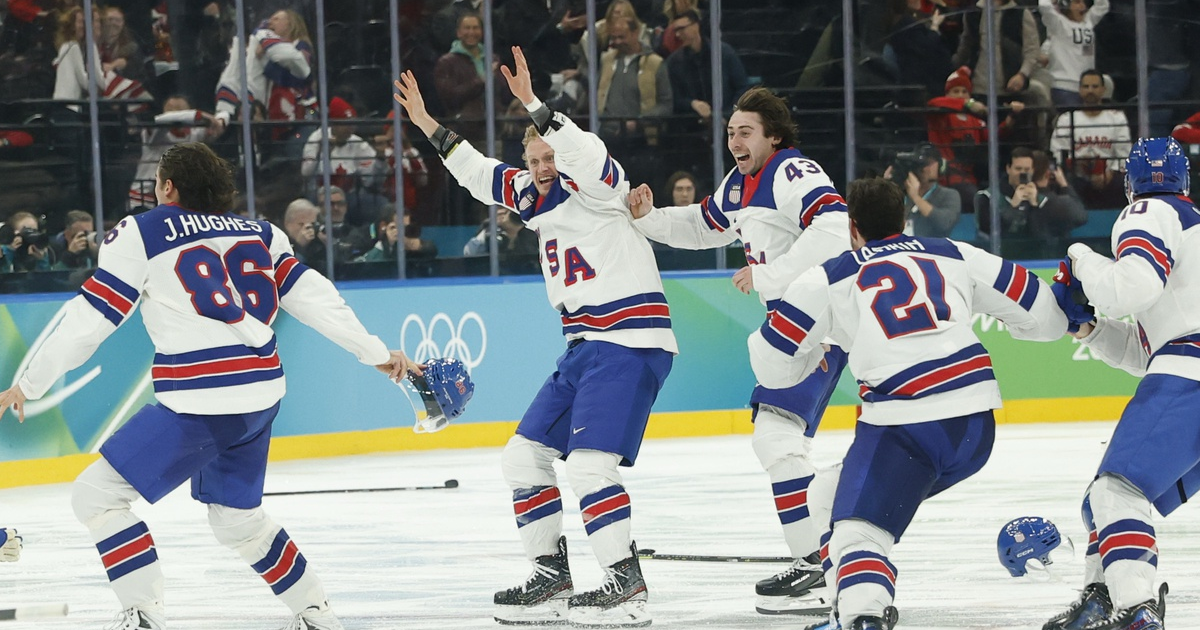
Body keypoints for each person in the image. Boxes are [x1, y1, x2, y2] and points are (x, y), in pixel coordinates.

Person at [0, 142, 417, 630]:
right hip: (261, 394)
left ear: (168, 186)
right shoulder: (262, 232)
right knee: (237, 519)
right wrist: (375, 352)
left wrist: (29, 383)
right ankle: (316, 613)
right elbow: (317, 300)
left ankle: (144, 614)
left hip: (201, 398)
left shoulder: (141, 232)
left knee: (97, 496)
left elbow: (91, 318)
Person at [395, 46, 676, 628]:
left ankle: (625, 584)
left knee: (590, 466)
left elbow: (585, 152)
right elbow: (477, 172)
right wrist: (425, 123)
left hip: (629, 339)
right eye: (534, 159)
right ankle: (551, 575)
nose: (544, 166)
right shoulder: (530, 193)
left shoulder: (600, 185)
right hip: (584, 347)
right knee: (522, 458)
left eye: (549, 156)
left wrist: (534, 104)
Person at [746, 177, 1068, 630]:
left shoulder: (829, 275)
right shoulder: (953, 253)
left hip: (905, 427)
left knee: (858, 531)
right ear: (903, 218)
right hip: (975, 428)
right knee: (824, 494)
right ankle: (844, 600)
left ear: (852, 227)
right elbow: (1047, 317)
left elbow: (770, 365)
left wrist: (809, 356)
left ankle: (861, 613)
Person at [628, 85, 850, 616]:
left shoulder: (791, 171)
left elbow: (835, 229)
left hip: (821, 321)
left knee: (776, 436)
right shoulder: (740, 181)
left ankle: (819, 562)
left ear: (774, 136)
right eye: (730, 132)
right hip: (800, 324)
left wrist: (769, 274)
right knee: (779, 437)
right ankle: (827, 554)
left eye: (746, 132)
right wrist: (649, 218)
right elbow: (702, 227)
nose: (734, 141)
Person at [1041, 137, 1192, 630]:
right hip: (1185, 366)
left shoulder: (1148, 211)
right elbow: (1153, 350)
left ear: (1130, 184)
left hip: (1190, 376)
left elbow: (1130, 289)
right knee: (1105, 502)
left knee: (1115, 492)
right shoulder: (1190, 228)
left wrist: (1081, 256)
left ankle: (1135, 610)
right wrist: (1088, 328)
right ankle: (1099, 599)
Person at [1049, 69, 1132, 209]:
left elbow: (1125, 155)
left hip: (1109, 176)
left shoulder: (1116, 117)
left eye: (1095, 86)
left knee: (1126, 181)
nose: (1090, 91)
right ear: (1080, 90)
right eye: (1086, 87)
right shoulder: (1067, 118)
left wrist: (1109, 174)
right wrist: (1076, 165)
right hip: (1077, 175)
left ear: (1103, 90)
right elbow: (1057, 152)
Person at [129, 94, 218, 211]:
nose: (175, 113)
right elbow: (167, 119)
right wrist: (198, 114)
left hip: (178, 200)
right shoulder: (154, 132)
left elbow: (218, 125)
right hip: (145, 198)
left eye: (180, 109)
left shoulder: (195, 133)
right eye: (170, 109)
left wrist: (217, 120)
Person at [1038, 0, 1110, 108]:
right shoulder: (1058, 23)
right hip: (1065, 85)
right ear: (1065, 5)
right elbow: (1044, 5)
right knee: (1073, 117)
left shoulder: (1088, 21)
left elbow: (1103, 5)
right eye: (1077, 2)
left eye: (1083, 2)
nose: (1083, 6)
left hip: (1088, 85)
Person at [883, 143, 961, 238]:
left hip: (933, 246)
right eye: (921, 164)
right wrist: (885, 187)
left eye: (929, 163)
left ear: (940, 165)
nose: (924, 169)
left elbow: (945, 223)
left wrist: (916, 198)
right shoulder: (902, 195)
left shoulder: (949, 195)